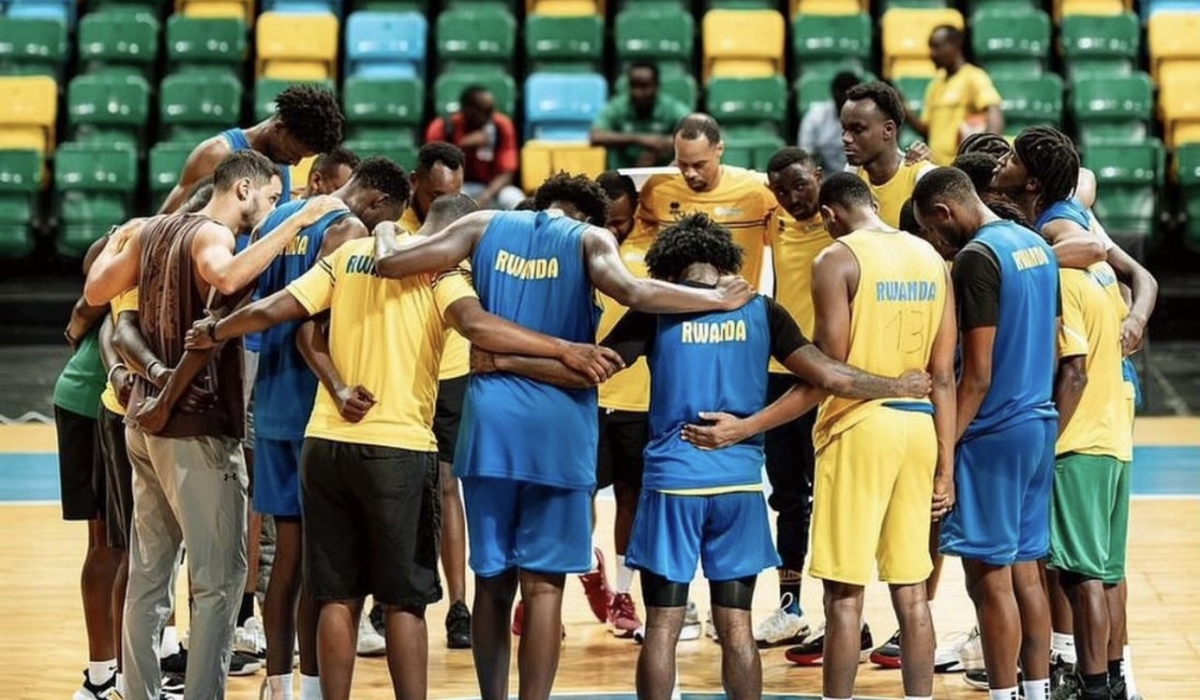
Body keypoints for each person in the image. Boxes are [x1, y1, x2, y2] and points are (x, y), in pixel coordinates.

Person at [181, 191, 624, 700]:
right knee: (404, 602)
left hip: (325, 445)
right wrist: (565, 348)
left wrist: (216, 329)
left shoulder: (350, 256)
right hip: (399, 448)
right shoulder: (445, 275)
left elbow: (278, 311)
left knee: (336, 596)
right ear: (455, 239)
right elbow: (479, 327)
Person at [474, 211, 934, 700]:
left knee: (663, 628)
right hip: (738, 486)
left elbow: (590, 370)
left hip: (674, 483)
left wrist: (505, 360)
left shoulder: (658, 310)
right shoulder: (762, 310)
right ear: (724, 259)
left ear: (668, 269)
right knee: (736, 628)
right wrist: (897, 385)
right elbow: (831, 377)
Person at [370, 172, 756, 700]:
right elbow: (635, 290)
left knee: (492, 584)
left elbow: (389, 264)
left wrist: (387, 229)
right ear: (589, 216)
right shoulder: (590, 240)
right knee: (544, 588)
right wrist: (715, 300)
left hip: (491, 428)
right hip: (560, 430)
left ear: (541, 203)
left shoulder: (483, 224)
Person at [82, 151, 346, 700]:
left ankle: (140, 694)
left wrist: (119, 240)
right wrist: (298, 221)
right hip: (194, 429)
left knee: (149, 578)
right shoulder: (212, 236)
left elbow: (97, 291)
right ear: (243, 189)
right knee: (219, 582)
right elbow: (224, 273)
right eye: (272, 199)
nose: (274, 209)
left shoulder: (154, 229)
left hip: (144, 427)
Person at [249, 156, 412, 700]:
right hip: (314, 408)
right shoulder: (348, 229)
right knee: (323, 567)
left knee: (287, 559)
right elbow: (312, 325)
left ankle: (278, 686)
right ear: (376, 204)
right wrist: (341, 386)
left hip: (269, 399)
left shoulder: (283, 217)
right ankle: (316, 687)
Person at [913, 166, 1060, 700]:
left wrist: (945, 445)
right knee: (1026, 572)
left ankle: (1004, 693)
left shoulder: (978, 258)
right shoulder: (1035, 244)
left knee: (987, 578)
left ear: (943, 213)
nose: (934, 240)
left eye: (931, 230)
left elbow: (975, 374)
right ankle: (1037, 691)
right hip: (1038, 423)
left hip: (994, 431)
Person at [386, 140, 472, 650]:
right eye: (437, 191)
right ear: (416, 181)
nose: (445, 200)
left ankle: (458, 605)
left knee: (446, 488)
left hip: (453, 375)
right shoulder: (391, 234)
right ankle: (391, 597)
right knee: (396, 491)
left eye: (454, 192)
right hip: (400, 374)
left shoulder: (469, 226)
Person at [752, 147, 835, 649]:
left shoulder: (842, 221)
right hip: (777, 374)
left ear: (819, 176)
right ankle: (791, 606)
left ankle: (844, 613)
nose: (791, 196)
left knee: (830, 497)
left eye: (800, 184)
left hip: (826, 376)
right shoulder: (773, 221)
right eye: (780, 189)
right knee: (787, 497)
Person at [1048, 256, 1133, 700]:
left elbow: (1074, 371)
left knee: (1081, 578)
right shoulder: (1100, 271)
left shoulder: (1063, 280)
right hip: (1116, 437)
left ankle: (1094, 687)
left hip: (1080, 443)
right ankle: (1116, 679)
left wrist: (1048, 443)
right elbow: (1133, 301)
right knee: (1109, 575)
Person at [56, 238, 123, 700]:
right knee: (111, 544)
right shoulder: (148, 237)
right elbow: (89, 299)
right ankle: (103, 677)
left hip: (96, 401)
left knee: (130, 544)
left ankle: (122, 670)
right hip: (94, 403)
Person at [589, 170, 649, 638]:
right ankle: (586, 564)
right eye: (608, 221)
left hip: (639, 398)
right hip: (584, 393)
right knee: (574, 496)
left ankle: (625, 593)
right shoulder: (581, 245)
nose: (616, 229)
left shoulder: (656, 249)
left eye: (624, 221)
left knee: (631, 496)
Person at [635, 113, 776, 290]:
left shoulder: (758, 190)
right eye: (683, 164)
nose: (690, 173)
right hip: (677, 308)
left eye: (699, 165)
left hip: (736, 311)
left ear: (719, 149)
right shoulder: (658, 188)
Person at [158, 85, 345, 214]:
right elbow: (163, 224)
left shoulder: (281, 164)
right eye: (294, 154)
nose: (295, 162)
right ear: (279, 127)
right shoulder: (216, 154)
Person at [903, 25, 1004, 166]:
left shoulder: (974, 76)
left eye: (937, 47)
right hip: (936, 167)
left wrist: (987, 155)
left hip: (961, 170)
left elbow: (994, 111)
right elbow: (927, 130)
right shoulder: (935, 84)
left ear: (955, 46)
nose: (932, 53)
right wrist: (904, 109)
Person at [842, 81, 936, 229]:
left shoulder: (921, 178)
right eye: (844, 129)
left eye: (857, 129)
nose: (846, 138)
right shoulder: (853, 173)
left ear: (888, 130)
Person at [425, 85, 524, 210]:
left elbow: (507, 172)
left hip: (493, 189)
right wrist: (461, 146)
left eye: (492, 109)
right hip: (459, 187)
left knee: (515, 198)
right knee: (452, 202)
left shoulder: (501, 125)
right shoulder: (444, 127)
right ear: (467, 110)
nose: (491, 115)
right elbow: (434, 171)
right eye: (486, 111)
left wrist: (485, 196)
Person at [590, 62, 692, 170]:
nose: (637, 92)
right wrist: (639, 139)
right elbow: (595, 136)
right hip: (620, 177)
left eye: (644, 86)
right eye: (633, 86)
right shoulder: (618, 106)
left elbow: (693, 134)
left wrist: (660, 146)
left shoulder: (672, 107)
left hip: (664, 176)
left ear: (657, 86)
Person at [799, 71, 862, 175]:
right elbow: (806, 156)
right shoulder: (816, 116)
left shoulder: (868, 118)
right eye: (841, 91)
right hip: (826, 178)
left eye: (850, 93)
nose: (845, 97)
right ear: (833, 92)